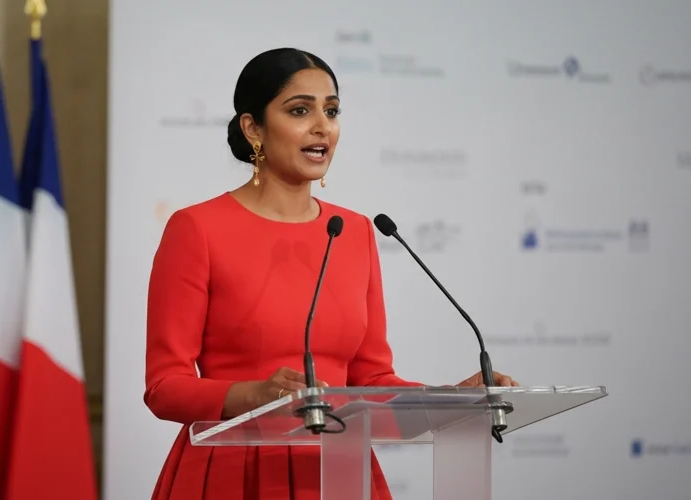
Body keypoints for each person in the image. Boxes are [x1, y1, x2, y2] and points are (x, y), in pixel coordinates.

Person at [143, 47, 517, 500]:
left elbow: (372, 379)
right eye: (300, 110)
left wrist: (451, 399)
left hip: (339, 467)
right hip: (233, 469)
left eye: (332, 110)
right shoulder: (197, 229)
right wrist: (254, 394)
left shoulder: (353, 231)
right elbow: (165, 387)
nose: (323, 126)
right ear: (253, 128)